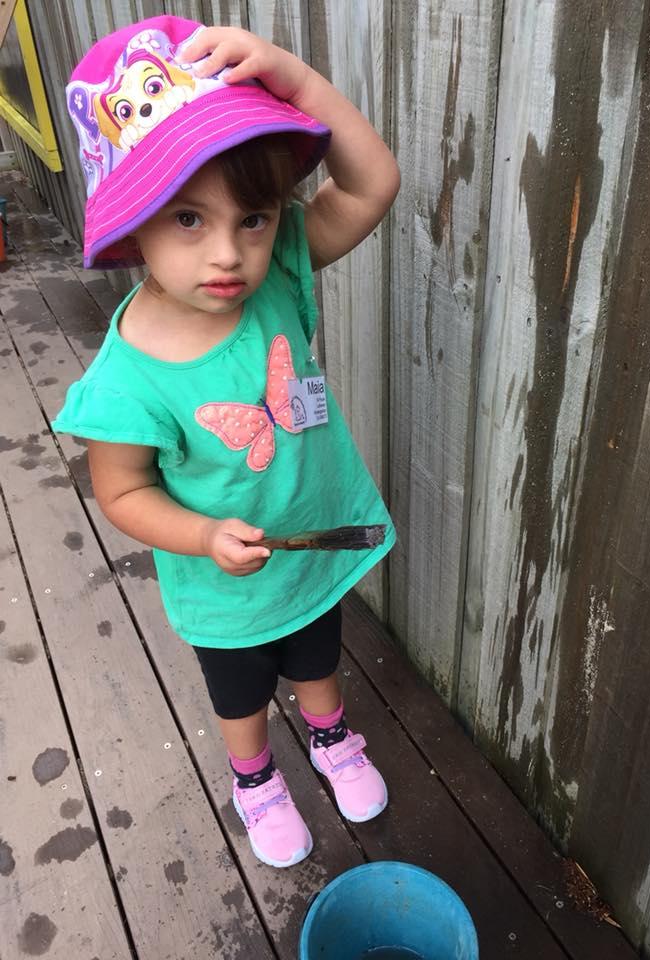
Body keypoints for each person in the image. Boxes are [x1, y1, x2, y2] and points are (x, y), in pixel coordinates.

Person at [53, 15, 399, 869]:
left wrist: (297, 81)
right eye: (187, 218)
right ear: (132, 225)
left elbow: (371, 185)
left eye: (253, 216)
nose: (229, 253)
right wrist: (204, 537)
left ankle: (332, 736)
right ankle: (254, 779)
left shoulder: (280, 268)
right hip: (224, 587)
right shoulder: (126, 380)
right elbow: (125, 492)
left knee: (320, 652)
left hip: (312, 542)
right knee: (240, 690)